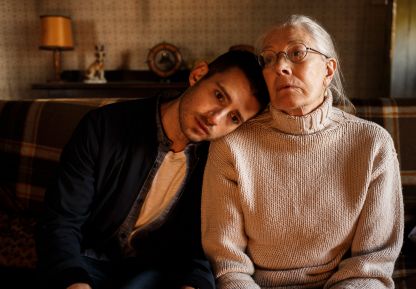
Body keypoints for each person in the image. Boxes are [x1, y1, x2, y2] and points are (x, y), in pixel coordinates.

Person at [36, 50, 270, 289]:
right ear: (198, 75)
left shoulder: (218, 161)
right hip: (83, 263)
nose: (215, 118)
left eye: (233, 118)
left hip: (152, 274)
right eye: (219, 96)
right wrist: (74, 282)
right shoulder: (103, 126)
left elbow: (201, 250)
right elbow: (61, 221)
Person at [201, 15, 404, 289]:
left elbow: (370, 266)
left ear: (328, 70)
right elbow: (228, 264)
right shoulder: (232, 145)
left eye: (297, 53)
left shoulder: (372, 143)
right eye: (269, 59)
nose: (280, 67)